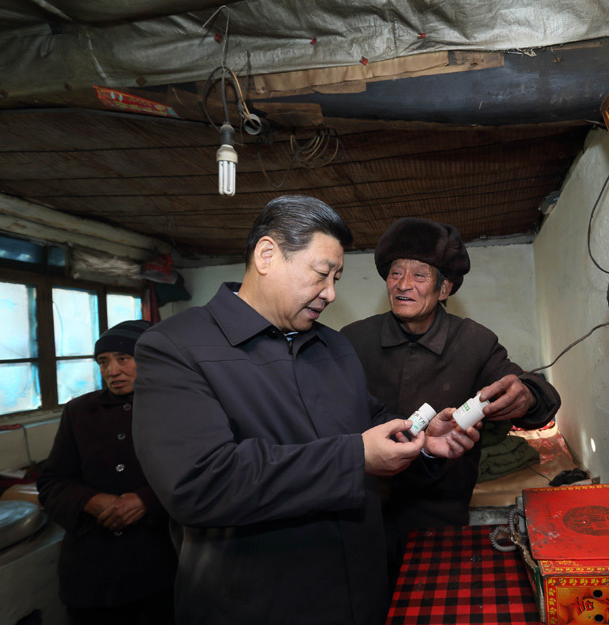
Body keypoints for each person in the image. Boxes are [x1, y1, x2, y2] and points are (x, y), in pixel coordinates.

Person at [131, 195, 479, 625]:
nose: (331, 293)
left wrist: (422, 441)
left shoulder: (334, 345)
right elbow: (200, 482)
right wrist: (354, 457)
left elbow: (372, 425)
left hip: (361, 595)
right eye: (321, 274)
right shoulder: (176, 347)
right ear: (267, 255)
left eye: (337, 278)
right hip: (259, 607)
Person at [340, 217, 561, 579]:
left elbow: (531, 389)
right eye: (395, 273)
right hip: (363, 510)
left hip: (439, 511)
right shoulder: (353, 340)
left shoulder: (475, 343)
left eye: (419, 275)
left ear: (444, 288)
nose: (403, 284)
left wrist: (527, 395)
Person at [37, 320, 177, 625]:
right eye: (103, 361)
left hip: (161, 567)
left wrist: (147, 501)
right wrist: (90, 501)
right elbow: (51, 482)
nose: (112, 371)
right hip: (92, 573)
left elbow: (199, 477)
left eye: (123, 359)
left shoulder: (177, 408)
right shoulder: (79, 411)